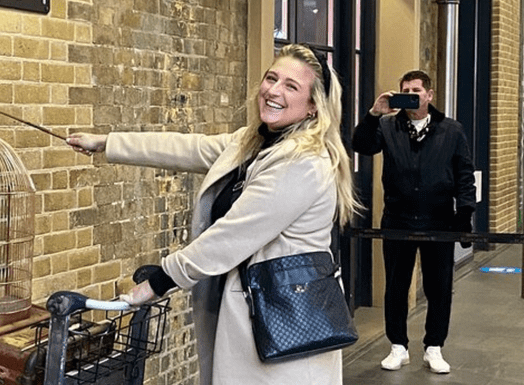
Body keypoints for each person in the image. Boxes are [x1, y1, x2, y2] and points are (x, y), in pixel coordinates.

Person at [66, 44, 358, 385]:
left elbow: (230, 237)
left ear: (312, 108)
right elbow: (187, 148)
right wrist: (106, 143)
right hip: (258, 313)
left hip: (285, 321)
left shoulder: (303, 162)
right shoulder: (257, 142)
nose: (273, 91)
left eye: (291, 86)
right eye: (271, 78)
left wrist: (157, 283)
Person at [351, 70, 475, 374]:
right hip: (398, 219)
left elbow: (464, 175)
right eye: (405, 89)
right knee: (396, 286)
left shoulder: (452, 130)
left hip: (439, 221)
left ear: (429, 94)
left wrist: (465, 215)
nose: (410, 94)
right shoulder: (388, 126)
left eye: (416, 90)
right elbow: (361, 145)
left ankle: (434, 347)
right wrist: (373, 113)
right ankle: (398, 346)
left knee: (439, 287)